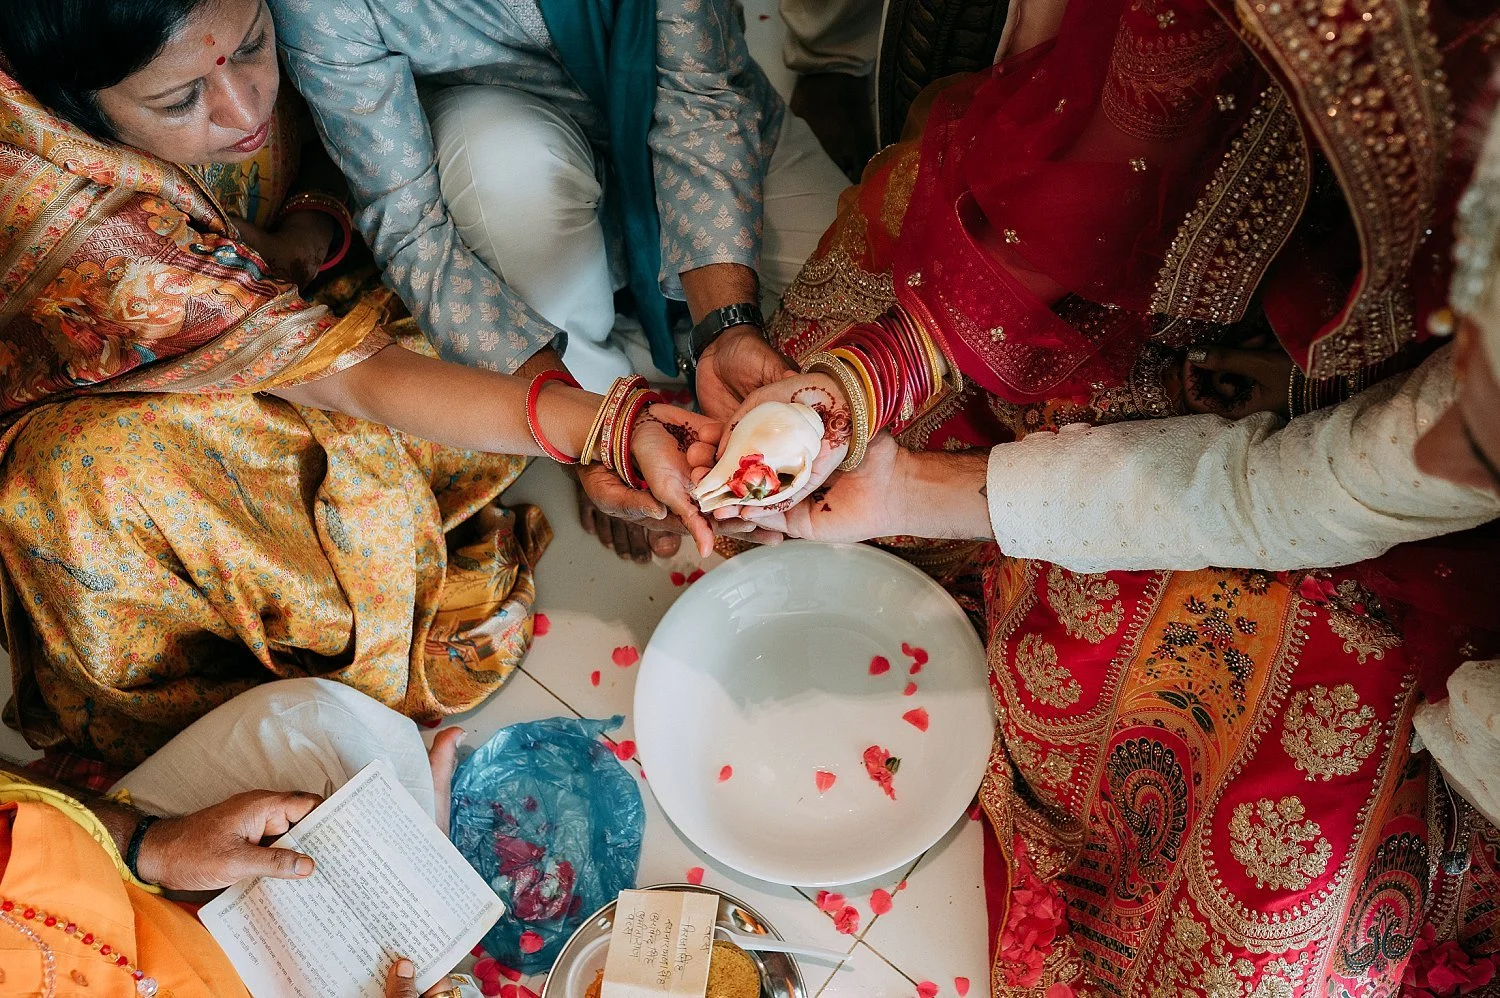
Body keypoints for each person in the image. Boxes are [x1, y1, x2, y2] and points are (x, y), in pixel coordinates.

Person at [709, 0, 1500, 992]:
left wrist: (945, 494)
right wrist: (864, 391)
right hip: (1165, 296)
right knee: (838, 346)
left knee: (1255, 919)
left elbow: (1298, 492)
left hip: (1399, 569)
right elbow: (1106, 163)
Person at [0, 0, 722, 767]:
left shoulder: (243, 48)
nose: (246, 107)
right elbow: (356, 378)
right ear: (74, 102)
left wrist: (304, 234)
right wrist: (602, 428)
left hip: (320, 314)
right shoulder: (83, 220)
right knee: (81, 491)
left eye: (253, 45)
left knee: (481, 306)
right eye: (180, 100)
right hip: (159, 428)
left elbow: (336, 141)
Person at [266, 0, 849, 395]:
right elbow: (410, 224)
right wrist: (589, 428)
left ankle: (663, 337)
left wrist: (727, 328)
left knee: (871, 339)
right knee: (501, 158)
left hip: (721, 139)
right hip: (523, 160)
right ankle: (599, 377)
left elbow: (701, 99)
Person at [0, 678, 476, 997]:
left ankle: (428, 858)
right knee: (413, 958)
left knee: (311, 728)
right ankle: (434, 860)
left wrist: (152, 843)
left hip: (126, 884)